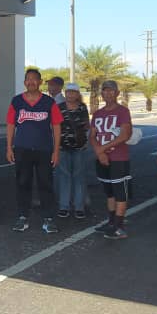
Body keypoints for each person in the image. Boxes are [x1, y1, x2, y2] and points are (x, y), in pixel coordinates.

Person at [7, 69, 62, 233]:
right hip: (22, 149)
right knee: (23, 183)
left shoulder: (49, 102)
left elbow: (57, 127)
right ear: (24, 82)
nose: (31, 82)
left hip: (44, 150)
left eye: (34, 79)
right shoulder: (16, 101)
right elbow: (11, 125)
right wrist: (9, 147)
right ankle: (22, 217)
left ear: (40, 82)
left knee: (46, 184)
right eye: (28, 79)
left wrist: (56, 151)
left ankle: (49, 219)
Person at [91, 80, 133, 239]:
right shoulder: (97, 114)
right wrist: (99, 152)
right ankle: (111, 222)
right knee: (109, 193)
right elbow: (93, 135)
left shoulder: (122, 111)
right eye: (105, 90)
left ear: (117, 93)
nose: (107, 93)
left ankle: (119, 226)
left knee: (120, 193)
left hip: (118, 159)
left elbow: (125, 135)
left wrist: (102, 149)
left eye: (111, 91)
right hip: (102, 159)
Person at [56, 82, 90, 219]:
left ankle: (79, 207)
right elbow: (55, 127)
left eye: (73, 92)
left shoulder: (82, 108)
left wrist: (86, 140)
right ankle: (64, 206)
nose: (70, 94)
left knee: (78, 177)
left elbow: (86, 125)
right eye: (68, 92)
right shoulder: (59, 107)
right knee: (64, 177)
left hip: (79, 147)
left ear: (77, 94)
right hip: (62, 147)